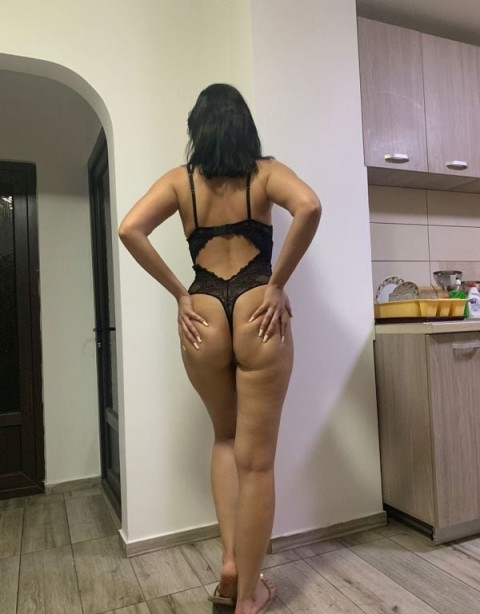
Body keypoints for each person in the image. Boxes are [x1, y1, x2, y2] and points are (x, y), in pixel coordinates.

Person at [118, 83, 321, 614]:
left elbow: (130, 228)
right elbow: (309, 206)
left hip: (204, 310)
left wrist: (180, 293)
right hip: (257, 308)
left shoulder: (180, 181)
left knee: (225, 438)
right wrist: (277, 283)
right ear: (244, 126)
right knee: (258, 463)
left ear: (198, 130)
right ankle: (250, 595)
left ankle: (231, 565)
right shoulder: (265, 172)